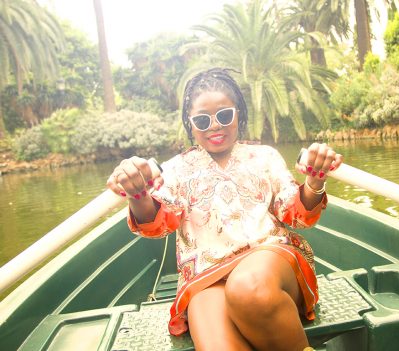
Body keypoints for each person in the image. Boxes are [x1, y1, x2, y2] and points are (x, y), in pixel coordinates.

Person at [106, 68, 343, 351]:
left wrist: (315, 179)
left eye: (225, 115)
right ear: (191, 124)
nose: (214, 126)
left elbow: (296, 214)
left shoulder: (265, 157)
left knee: (249, 289)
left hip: (268, 259)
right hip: (206, 277)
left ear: (239, 115)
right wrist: (137, 192)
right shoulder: (173, 170)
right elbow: (157, 223)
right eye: (202, 120)